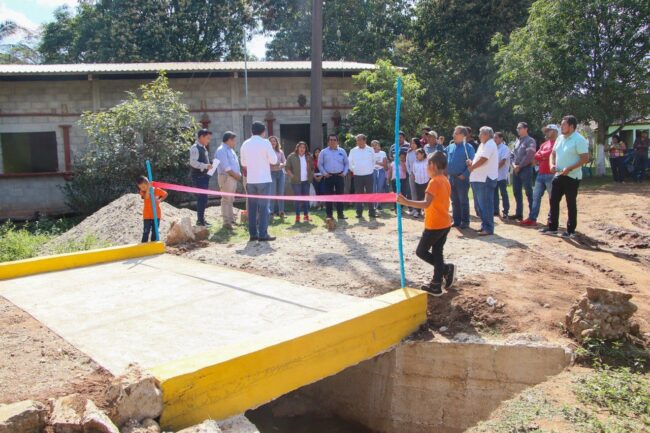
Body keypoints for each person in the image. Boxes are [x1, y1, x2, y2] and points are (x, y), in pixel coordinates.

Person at [396, 151, 455, 296]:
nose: (426, 167)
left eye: (427, 164)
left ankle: (445, 269)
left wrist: (406, 202)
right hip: (444, 223)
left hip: (435, 225)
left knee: (421, 251)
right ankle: (436, 284)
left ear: (433, 165)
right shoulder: (445, 180)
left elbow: (426, 204)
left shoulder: (434, 182)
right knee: (437, 253)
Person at [541, 115, 589, 238]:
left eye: (564, 125)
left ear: (572, 126)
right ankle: (552, 227)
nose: (561, 127)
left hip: (572, 177)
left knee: (570, 203)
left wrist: (570, 168)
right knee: (553, 201)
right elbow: (553, 153)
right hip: (558, 175)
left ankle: (571, 230)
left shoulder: (579, 139)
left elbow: (585, 158)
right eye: (561, 125)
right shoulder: (560, 138)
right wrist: (552, 164)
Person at [240, 121, 278, 242]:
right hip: (264, 179)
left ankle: (253, 234)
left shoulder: (245, 143)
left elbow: (243, 163)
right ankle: (263, 234)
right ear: (263, 132)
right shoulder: (265, 143)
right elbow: (274, 160)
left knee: (252, 208)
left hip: (251, 180)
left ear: (252, 131)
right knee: (263, 208)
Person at [522, 124, 558, 227]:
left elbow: (551, 154)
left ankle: (551, 219)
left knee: (553, 198)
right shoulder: (544, 144)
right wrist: (544, 155)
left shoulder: (558, 143)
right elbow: (536, 156)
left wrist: (542, 155)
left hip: (551, 174)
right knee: (536, 197)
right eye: (546, 131)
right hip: (541, 173)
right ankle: (532, 218)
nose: (546, 132)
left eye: (548, 130)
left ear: (555, 131)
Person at [467, 126, 499, 236]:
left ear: (487, 134)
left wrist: (472, 167)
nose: (479, 135)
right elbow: (479, 158)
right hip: (478, 179)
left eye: (481, 133)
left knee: (485, 205)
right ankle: (484, 226)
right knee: (480, 206)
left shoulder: (490, 144)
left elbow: (484, 159)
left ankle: (488, 228)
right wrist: (471, 163)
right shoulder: (482, 144)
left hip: (485, 179)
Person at [447, 126, 476, 229]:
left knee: (463, 200)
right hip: (451, 178)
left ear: (463, 135)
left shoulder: (468, 147)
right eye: (454, 133)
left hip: (462, 178)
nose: (453, 135)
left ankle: (465, 221)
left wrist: (465, 175)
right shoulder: (450, 147)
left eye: (456, 133)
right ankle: (456, 220)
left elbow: (472, 163)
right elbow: (444, 157)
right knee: (454, 201)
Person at [318, 134, 349, 220]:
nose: (332, 141)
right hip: (328, 177)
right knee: (328, 196)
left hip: (339, 176)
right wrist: (325, 173)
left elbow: (346, 163)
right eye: (330, 140)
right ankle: (329, 215)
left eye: (334, 140)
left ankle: (340, 214)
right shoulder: (323, 152)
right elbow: (320, 164)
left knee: (340, 196)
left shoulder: (342, 151)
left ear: (337, 141)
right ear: (328, 142)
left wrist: (344, 173)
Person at [215, 131, 242, 230]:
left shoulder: (230, 150)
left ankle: (231, 220)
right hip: (227, 177)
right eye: (234, 140)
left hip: (232, 177)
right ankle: (226, 222)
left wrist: (237, 175)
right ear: (229, 140)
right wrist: (237, 176)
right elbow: (226, 167)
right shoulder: (221, 150)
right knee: (226, 199)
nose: (235, 142)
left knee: (231, 199)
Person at [511, 122, 537, 221]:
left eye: (520, 128)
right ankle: (519, 214)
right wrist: (514, 166)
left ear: (526, 129)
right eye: (517, 128)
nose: (518, 130)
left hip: (526, 169)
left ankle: (532, 216)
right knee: (516, 191)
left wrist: (520, 166)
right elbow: (512, 155)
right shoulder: (517, 141)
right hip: (516, 169)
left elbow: (529, 155)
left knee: (528, 192)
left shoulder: (530, 140)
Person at [189, 129, 214, 226]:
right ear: (201, 137)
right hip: (198, 177)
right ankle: (200, 220)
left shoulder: (203, 148)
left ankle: (201, 219)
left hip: (203, 176)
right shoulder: (195, 148)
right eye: (207, 138)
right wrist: (205, 166)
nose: (209, 141)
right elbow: (193, 162)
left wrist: (210, 164)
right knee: (202, 198)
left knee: (204, 199)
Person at [348, 134, 376, 218]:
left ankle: (372, 212)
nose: (358, 142)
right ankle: (359, 212)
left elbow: (374, 161)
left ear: (365, 140)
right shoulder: (353, 150)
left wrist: (370, 170)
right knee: (358, 194)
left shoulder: (370, 149)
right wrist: (354, 170)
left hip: (369, 175)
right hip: (357, 175)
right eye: (357, 140)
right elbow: (350, 162)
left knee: (370, 193)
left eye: (360, 140)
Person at [286, 141, 314, 223]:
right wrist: (293, 177)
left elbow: (312, 168)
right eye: (300, 147)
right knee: (297, 199)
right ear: (297, 148)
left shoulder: (309, 156)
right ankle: (297, 217)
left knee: (306, 199)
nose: (302, 149)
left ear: (306, 149)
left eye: (304, 147)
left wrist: (311, 175)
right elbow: (287, 168)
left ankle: (306, 216)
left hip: (306, 181)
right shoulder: (291, 156)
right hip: (296, 182)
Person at [136, 175, 167, 243]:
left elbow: (165, 194)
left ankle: (153, 243)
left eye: (143, 187)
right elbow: (146, 197)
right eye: (140, 187)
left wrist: (160, 200)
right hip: (147, 215)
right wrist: (148, 189)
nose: (142, 188)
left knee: (155, 231)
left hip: (156, 215)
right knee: (146, 231)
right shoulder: (142, 192)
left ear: (147, 184)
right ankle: (144, 245)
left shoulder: (156, 190)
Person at [268, 136, 287, 218]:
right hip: (271, 173)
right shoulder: (267, 152)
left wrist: (282, 164)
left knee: (281, 193)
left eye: (274, 141)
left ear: (276, 142)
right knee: (272, 193)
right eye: (271, 141)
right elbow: (268, 163)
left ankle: (281, 212)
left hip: (280, 173)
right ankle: (271, 213)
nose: (273, 143)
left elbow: (285, 161)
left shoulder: (280, 151)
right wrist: (277, 163)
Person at [493, 132, 510, 219]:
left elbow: (503, 162)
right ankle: (495, 210)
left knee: (503, 193)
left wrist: (493, 169)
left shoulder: (505, 148)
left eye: (496, 137)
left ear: (501, 138)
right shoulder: (494, 148)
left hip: (502, 175)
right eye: (494, 138)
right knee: (494, 193)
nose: (494, 139)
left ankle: (505, 211)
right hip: (494, 176)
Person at [412, 148, 430, 218]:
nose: (416, 155)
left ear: (422, 154)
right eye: (416, 154)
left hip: (426, 182)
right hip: (418, 182)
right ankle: (417, 211)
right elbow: (414, 172)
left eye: (418, 154)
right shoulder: (415, 162)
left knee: (426, 197)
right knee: (418, 197)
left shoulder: (427, 161)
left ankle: (426, 211)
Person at [371, 140, 388, 211]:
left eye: (376, 145)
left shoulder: (383, 153)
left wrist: (376, 162)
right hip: (372, 171)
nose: (374, 146)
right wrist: (378, 163)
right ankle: (374, 205)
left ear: (379, 146)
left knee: (380, 187)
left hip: (381, 171)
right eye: (373, 145)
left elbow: (385, 164)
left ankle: (379, 204)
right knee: (373, 188)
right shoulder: (370, 153)